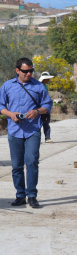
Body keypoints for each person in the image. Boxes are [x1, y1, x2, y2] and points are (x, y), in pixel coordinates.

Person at [0, 57, 53, 208]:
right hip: (15, 131)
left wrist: (37, 111)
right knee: (17, 165)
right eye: (25, 71)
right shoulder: (7, 86)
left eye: (31, 71)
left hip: (33, 130)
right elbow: (1, 105)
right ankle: (20, 195)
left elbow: (47, 105)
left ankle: (32, 196)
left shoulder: (39, 86)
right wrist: (11, 115)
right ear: (17, 71)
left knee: (31, 162)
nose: (29, 74)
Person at [38, 71, 54, 143]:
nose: (49, 80)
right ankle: (37, 139)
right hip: (40, 108)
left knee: (46, 123)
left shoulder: (45, 86)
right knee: (38, 124)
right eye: (47, 79)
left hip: (45, 107)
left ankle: (47, 138)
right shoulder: (39, 86)